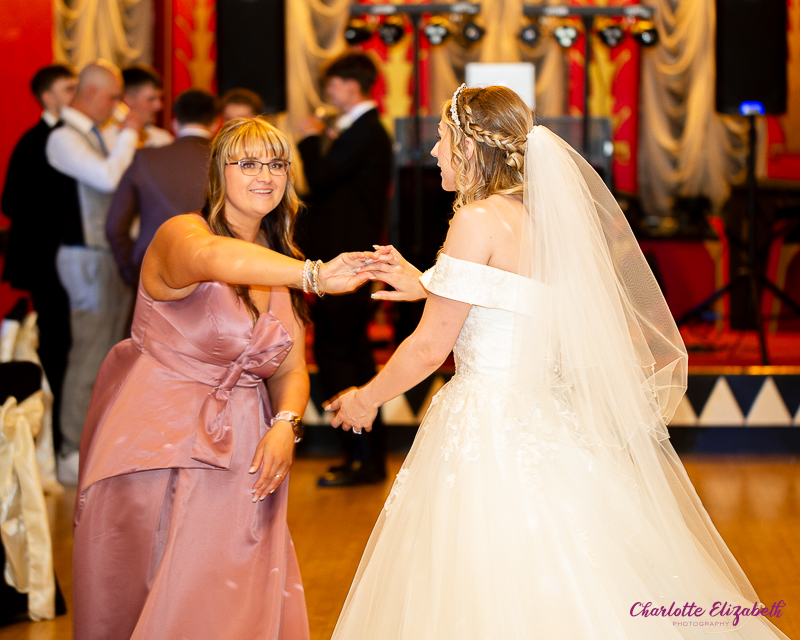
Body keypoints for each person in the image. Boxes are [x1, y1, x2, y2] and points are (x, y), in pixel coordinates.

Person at [326, 86, 792, 639]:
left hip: (490, 421)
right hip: (546, 414)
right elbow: (509, 299)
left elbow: (431, 348)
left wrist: (364, 398)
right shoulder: (542, 222)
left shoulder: (475, 220)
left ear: (472, 148)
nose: (433, 152)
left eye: (442, 138)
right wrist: (426, 281)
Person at [73, 117, 374, 640]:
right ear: (219, 174)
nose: (266, 175)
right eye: (249, 163)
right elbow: (213, 259)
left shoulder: (279, 267)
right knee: (157, 593)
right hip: (157, 442)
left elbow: (290, 369)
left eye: (277, 164)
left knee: (227, 594)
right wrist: (314, 275)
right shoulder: (183, 234)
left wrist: (285, 423)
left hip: (242, 452)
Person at [46, 60, 145, 483]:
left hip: (106, 254)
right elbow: (108, 179)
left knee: (108, 354)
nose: (117, 105)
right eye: (112, 96)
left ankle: (95, 444)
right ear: (90, 94)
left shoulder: (96, 135)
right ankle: (70, 449)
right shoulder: (62, 139)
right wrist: (129, 131)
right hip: (84, 257)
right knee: (88, 353)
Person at [297, 51, 392, 487]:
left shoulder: (366, 130)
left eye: (332, 85)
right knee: (351, 354)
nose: (328, 92)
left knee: (339, 355)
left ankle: (360, 455)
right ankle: (363, 456)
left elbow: (318, 178)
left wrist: (311, 138)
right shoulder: (362, 131)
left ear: (351, 86)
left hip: (346, 263)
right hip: (349, 261)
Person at [1, 64, 78, 453]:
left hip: (58, 261)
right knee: (55, 344)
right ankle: (58, 438)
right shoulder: (36, 141)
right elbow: (11, 200)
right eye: (69, 89)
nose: (76, 96)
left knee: (65, 342)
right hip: (47, 263)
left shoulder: (68, 137)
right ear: (48, 97)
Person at [106, 88, 218, 287]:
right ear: (216, 123)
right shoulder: (227, 162)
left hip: (152, 268)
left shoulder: (145, 159)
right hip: (214, 271)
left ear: (175, 123)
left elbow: (115, 226)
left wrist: (130, 271)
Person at [121, 65, 173, 148]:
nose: (159, 106)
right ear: (128, 99)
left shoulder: (162, 140)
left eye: (159, 98)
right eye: (151, 99)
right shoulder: (109, 138)